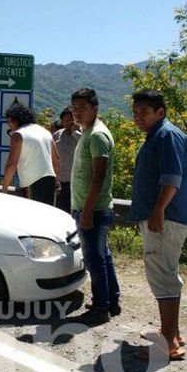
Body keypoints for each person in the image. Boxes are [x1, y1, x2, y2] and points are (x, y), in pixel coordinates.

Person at [130, 90, 187, 361]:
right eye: (135, 113)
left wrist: (158, 210)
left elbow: (172, 177)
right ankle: (172, 333)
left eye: (144, 112)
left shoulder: (167, 134)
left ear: (160, 112)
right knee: (166, 272)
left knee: (162, 276)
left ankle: (167, 344)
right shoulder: (160, 135)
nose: (138, 118)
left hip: (166, 218)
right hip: (164, 216)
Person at [69, 88, 120, 324]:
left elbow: (99, 175)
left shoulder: (98, 135)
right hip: (89, 206)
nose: (76, 112)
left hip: (94, 208)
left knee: (94, 258)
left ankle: (101, 307)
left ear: (95, 109)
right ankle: (111, 300)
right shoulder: (88, 132)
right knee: (103, 255)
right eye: (74, 108)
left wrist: (87, 210)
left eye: (82, 108)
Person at [0, 103, 61, 206]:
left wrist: (4, 189)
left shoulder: (18, 134)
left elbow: (11, 165)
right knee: (45, 216)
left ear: (14, 120)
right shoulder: (45, 132)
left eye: (9, 122)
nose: (9, 125)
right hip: (50, 181)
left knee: (31, 217)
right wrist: (56, 180)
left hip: (32, 182)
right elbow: (57, 159)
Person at [54, 106, 81, 213]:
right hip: (61, 181)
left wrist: (75, 132)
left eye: (69, 119)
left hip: (76, 182)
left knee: (75, 213)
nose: (66, 123)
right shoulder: (58, 134)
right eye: (64, 120)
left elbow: (85, 147)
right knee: (61, 212)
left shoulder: (82, 135)